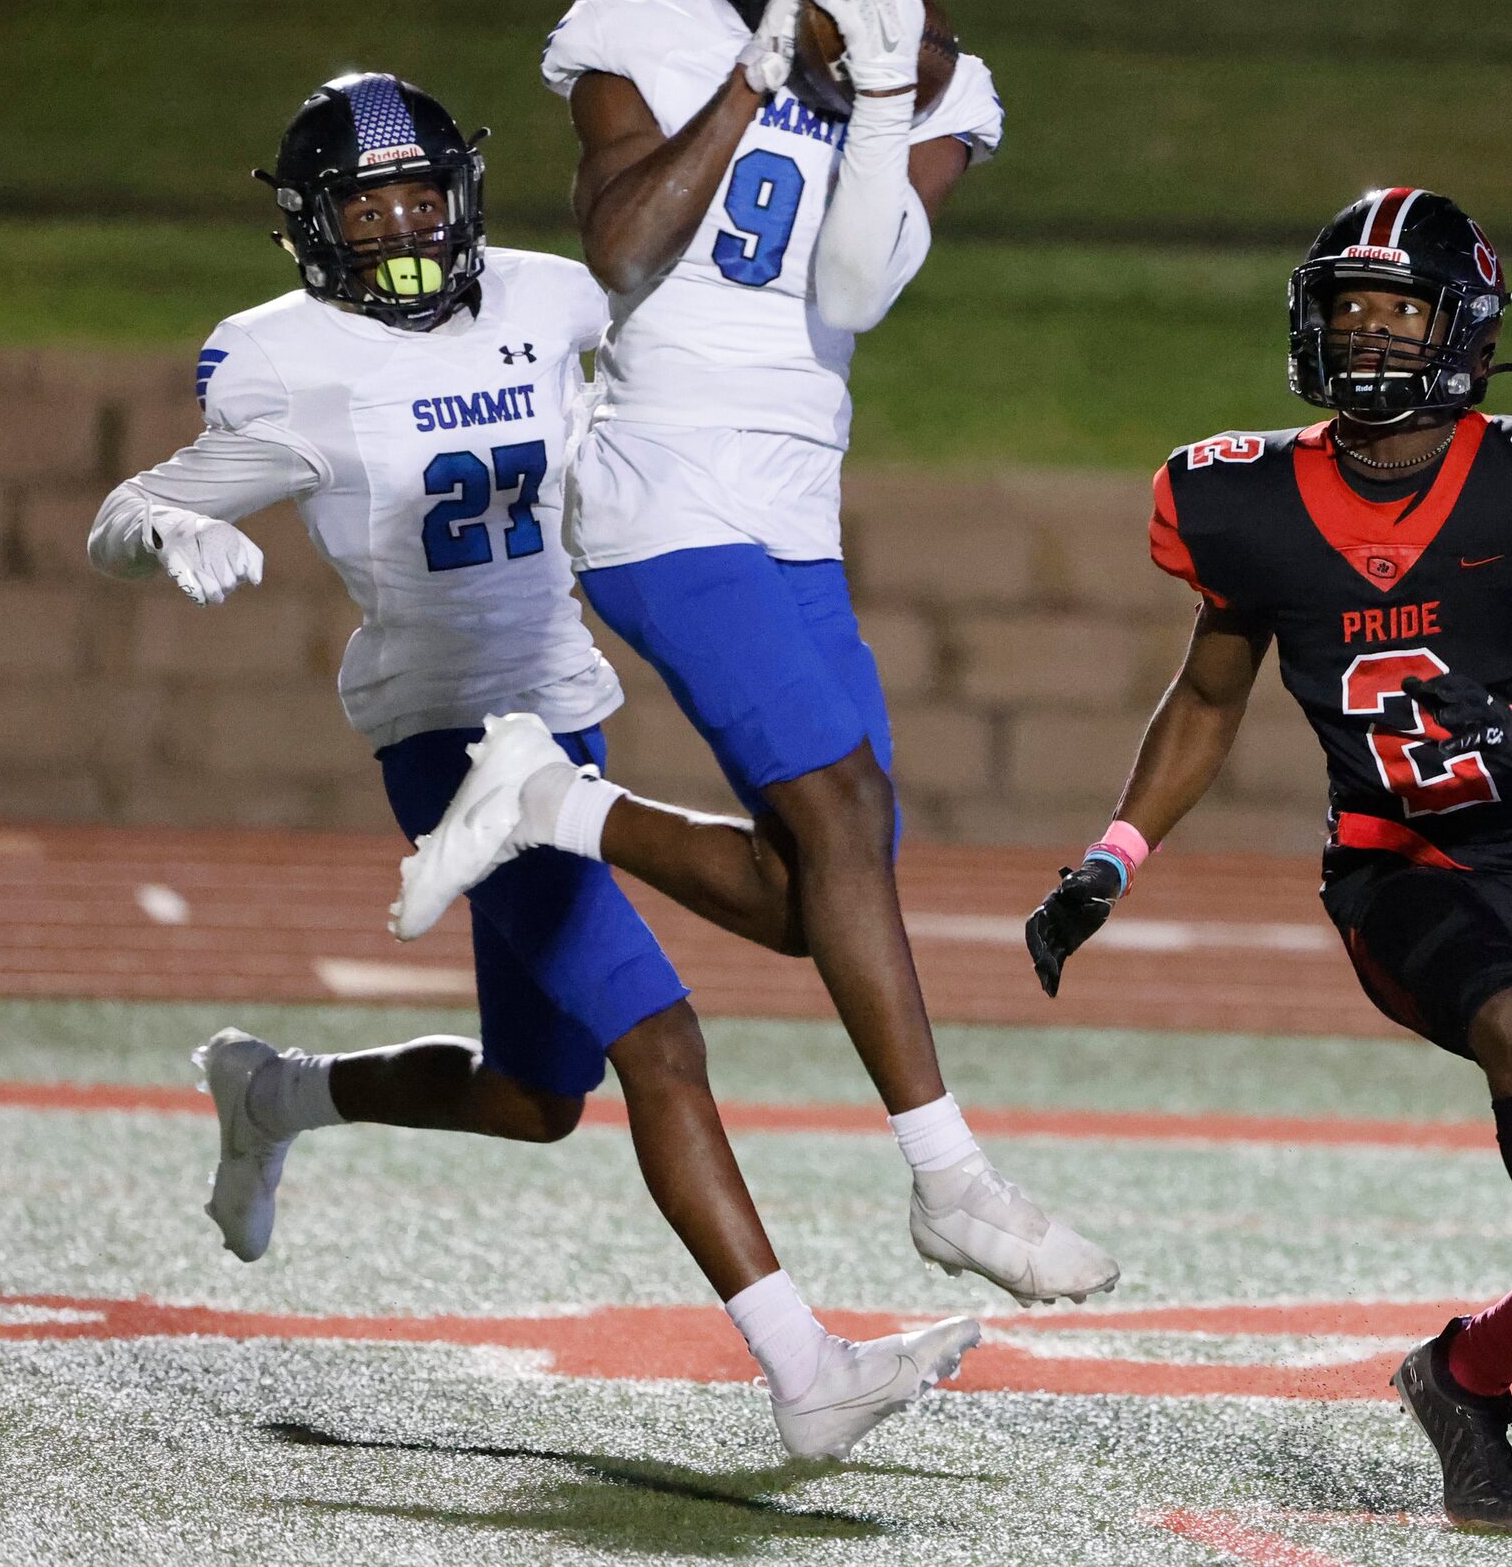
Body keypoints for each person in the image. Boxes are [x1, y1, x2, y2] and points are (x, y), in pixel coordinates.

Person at [86, 73, 976, 1461]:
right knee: (660, 1041)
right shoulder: (277, 354)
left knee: (536, 1094)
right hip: (442, 732)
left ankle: (275, 1091)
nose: (397, 219)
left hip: (561, 712)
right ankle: (805, 1372)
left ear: (459, 191)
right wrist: (159, 529)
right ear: (314, 226)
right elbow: (134, 503)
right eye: (364, 198)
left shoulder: (554, 297)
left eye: (414, 189)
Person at [1018, 188, 1512, 1528]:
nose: (1366, 337)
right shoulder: (1237, 499)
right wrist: (1113, 855)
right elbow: (1205, 702)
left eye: (1396, 311)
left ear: (1464, 329)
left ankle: (1462, 1375)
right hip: (1391, 867)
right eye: (1347, 309)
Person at [526, 0, 1116, 1306]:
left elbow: (854, 288)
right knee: (845, 807)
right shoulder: (635, 28)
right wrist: (753, 75)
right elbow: (622, 247)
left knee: (824, 887)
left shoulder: (945, 79)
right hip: (660, 481)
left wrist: (864, 99)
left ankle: (556, 808)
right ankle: (952, 1181)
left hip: (795, 503)